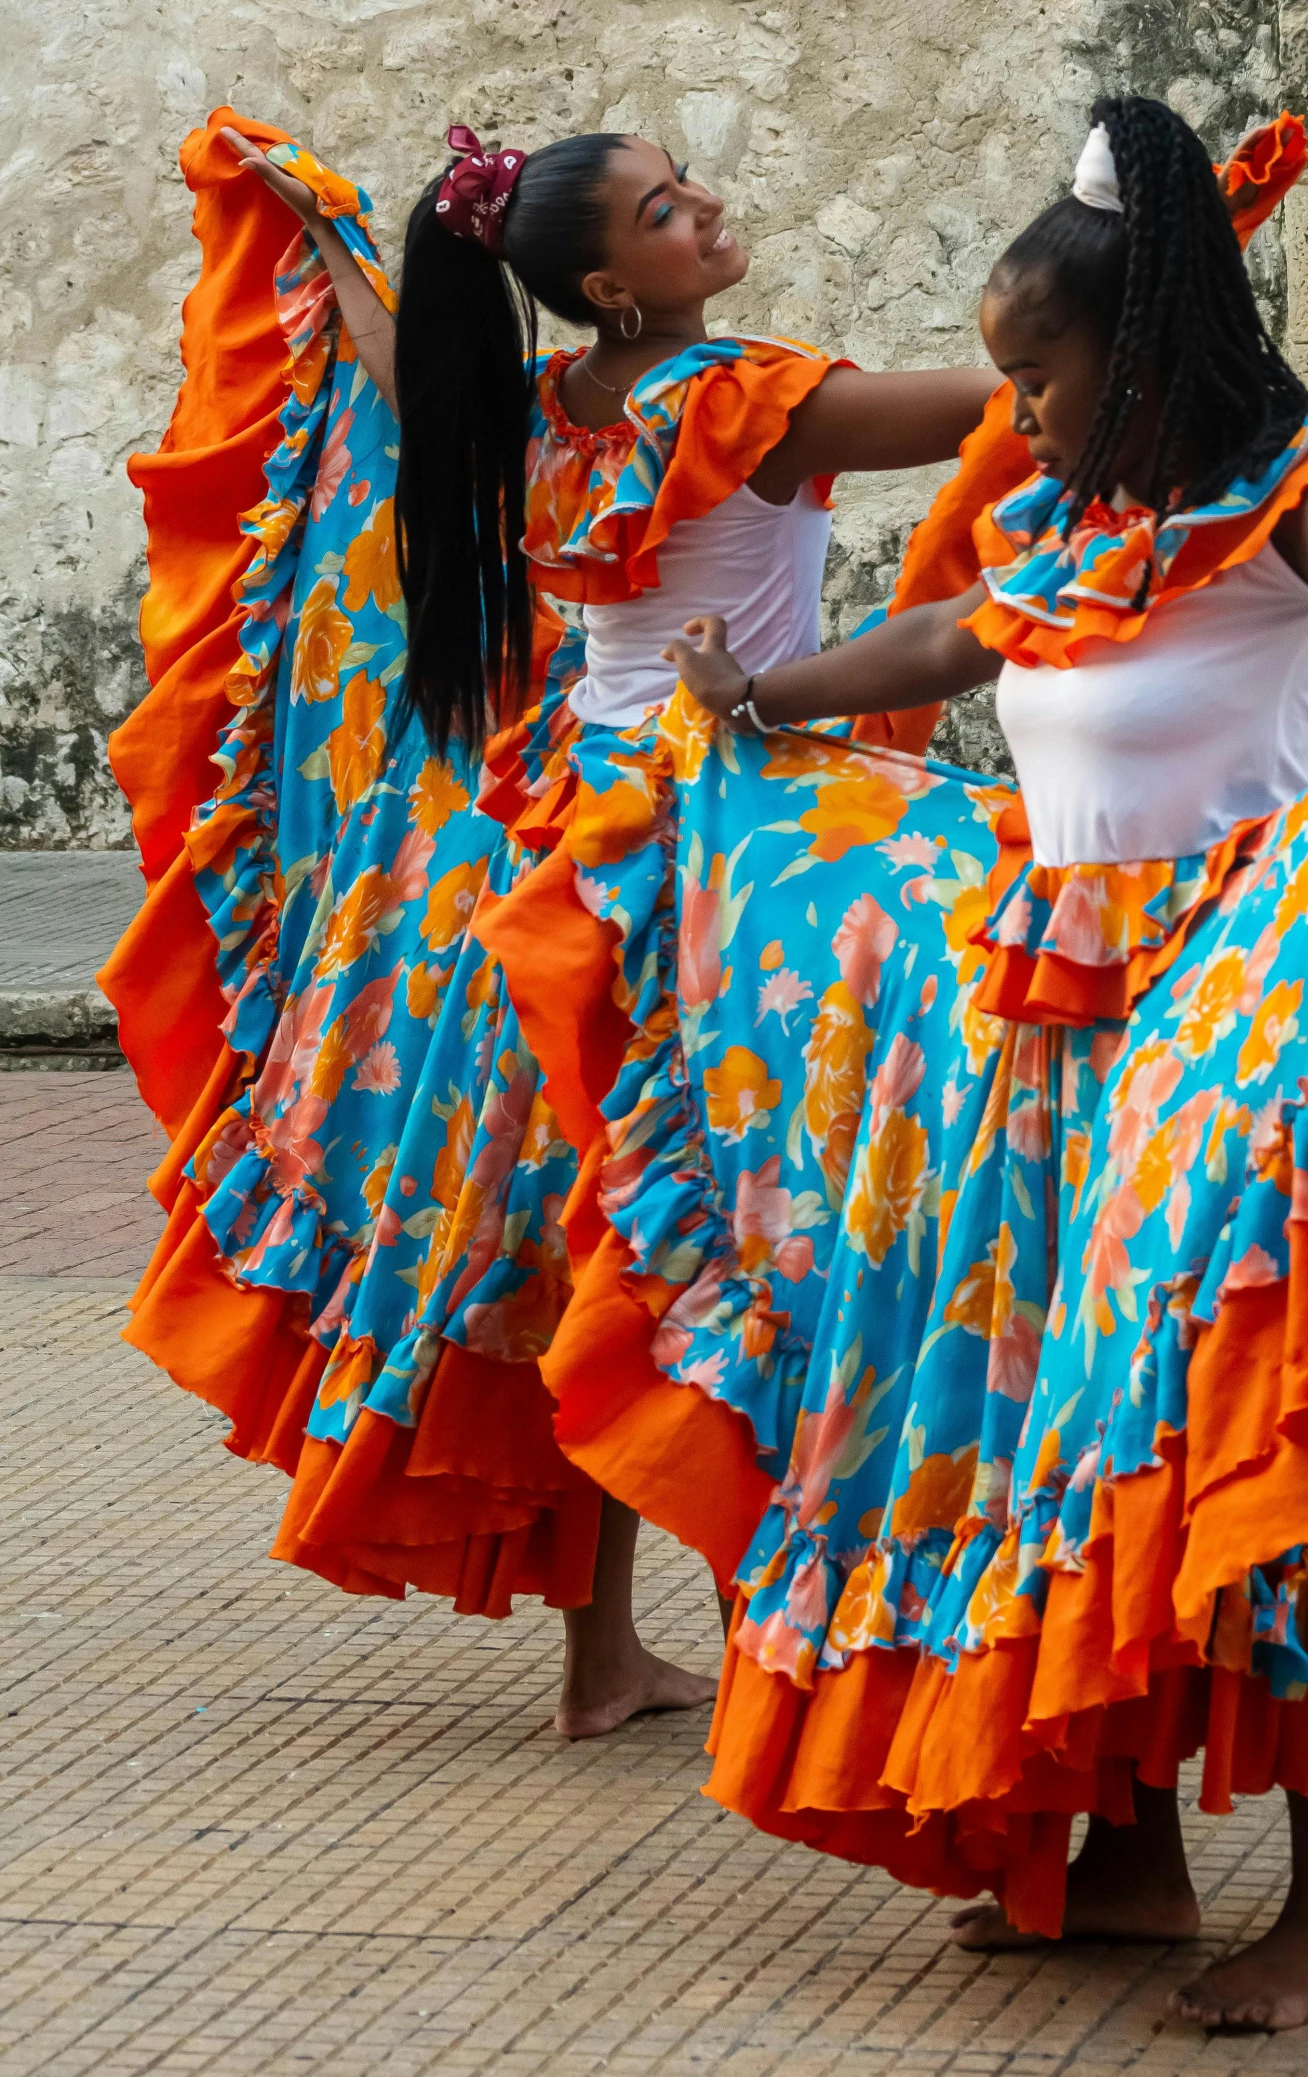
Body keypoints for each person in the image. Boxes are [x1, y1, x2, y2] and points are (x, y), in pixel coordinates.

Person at [574, 94, 1308, 2028]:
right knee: (1068, 1436)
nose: (1014, 418)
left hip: (1251, 1046)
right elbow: (954, 648)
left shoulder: (1296, 493)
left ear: (1134, 358)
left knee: (1284, 1433)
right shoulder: (1069, 518)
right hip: (1051, 1056)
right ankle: (1125, 1854)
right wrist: (760, 699)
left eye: (1034, 377)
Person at [107, 108, 998, 1738]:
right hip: (726, 839)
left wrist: (316, 235)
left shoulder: (528, 409)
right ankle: (777, 1656)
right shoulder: (746, 404)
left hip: (552, 842)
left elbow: (392, 364)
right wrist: (1143, 306)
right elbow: (1014, 398)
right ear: (610, 282)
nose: (709, 206)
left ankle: (608, 1666)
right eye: (670, 209)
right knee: (742, 1230)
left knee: (608, 1229)